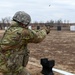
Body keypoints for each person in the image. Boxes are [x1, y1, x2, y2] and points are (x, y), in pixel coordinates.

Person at [0, 11, 50, 75]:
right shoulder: (22, 32)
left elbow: (30, 33)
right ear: (23, 22)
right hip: (13, 68)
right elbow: (38, 37)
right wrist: (45, 30)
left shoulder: (10, 30)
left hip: (4, 64)